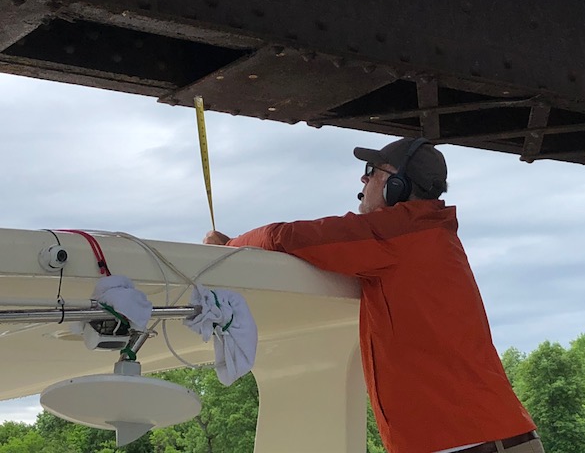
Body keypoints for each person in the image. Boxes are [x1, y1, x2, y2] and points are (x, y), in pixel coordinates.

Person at [204, 137, 544, 453]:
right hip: (483, 438)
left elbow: (288, 236)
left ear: (397, 186)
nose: (363, 180)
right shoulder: (426, 234)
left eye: (372, 171)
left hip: (469, 443)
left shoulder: (398, 232)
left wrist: (229, 246)